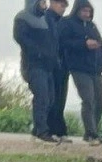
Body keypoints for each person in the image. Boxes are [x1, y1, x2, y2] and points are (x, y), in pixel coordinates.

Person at [59, 0, 102, 146]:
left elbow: (101, 44)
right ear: (77, 10)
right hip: (78, 68)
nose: (87, 14)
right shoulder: (67, 23)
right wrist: (84, 44)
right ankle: (91, 133)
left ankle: (93, 132)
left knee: (100, 101)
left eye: (89, 11)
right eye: (84, 11)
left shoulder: (92, 26)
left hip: (96, 70)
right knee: (88, 99)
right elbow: (63, 43)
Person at [14, 0, 62, 144]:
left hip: (48, 66)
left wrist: (55, 59)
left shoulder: (46, 19)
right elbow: (20, 38)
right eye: (41, 1)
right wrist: (39, 53)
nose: (44, 4)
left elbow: (54, 41)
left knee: (51, 99)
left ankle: (37, 129)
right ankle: (42, 132)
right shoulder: (22, 17)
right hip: (33, 65)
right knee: (41, 97)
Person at [44, 0, 72, 142]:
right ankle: (49, 129)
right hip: (51, 64)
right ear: (53, 3)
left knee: (61, 98)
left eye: (65, 6)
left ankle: (60, 130)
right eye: (61, 5)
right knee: (51, 98)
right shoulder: (46, 18)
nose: (63, 8)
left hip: (63, 65)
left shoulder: (62, 22)